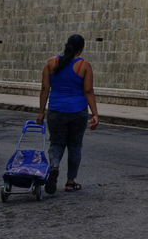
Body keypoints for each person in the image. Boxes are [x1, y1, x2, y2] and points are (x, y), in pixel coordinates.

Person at [35, 34, 100, 195]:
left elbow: (45, 89)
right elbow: (88, 90)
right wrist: (95, 114)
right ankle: (70, 182)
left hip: (56, 110)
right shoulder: (83, 66)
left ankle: (54, 166)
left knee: (56, 143)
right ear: (82, 48)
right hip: (78, 111)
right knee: (75, 146)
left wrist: (41, 112)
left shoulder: (51, 63)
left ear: (66, 45)